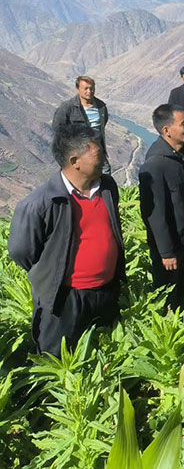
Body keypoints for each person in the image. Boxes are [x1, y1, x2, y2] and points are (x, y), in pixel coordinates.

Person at [8, 124, 125, 357]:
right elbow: (21, 252)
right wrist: (51, 272)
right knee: (57, 360)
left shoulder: (107, 188)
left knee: (105, 356)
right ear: (75, 161)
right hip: (65, 301)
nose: (104, 159)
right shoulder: (41, 203)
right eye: (98, 154)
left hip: (106, 292)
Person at [138, 105, 184, 311]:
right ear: (166, 130)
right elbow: (155, 214)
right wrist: (166, 252)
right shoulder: (155, 165)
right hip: (169, 250)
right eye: (183, 124)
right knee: (167, 296)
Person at [53, 76, 111, 174]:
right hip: (78, 152)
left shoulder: (101, 106)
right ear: (78, 89)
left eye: (92, 88)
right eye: (86, 88)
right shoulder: (67, 108)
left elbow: (102, 125)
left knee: (105, 174)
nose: (89, 91)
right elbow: (58, 130)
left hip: (97, 150)